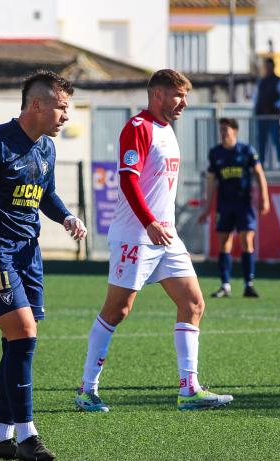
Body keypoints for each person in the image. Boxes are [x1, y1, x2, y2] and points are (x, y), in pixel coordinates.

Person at [74, 69, 233, 412]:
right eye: (178, 96)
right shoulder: (138, 128)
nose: (184, 103)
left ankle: (189, 389)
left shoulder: (167, 130)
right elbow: (128, 181)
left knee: (193, 304)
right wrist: (148, 224)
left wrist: (161, 228)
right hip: (137, 233)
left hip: (166, 235)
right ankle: (87, 390)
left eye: (185, 96)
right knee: (118, 310)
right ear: (157, 95)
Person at [0, 70, 87, 461]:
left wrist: (65, 216)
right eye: (62, 107)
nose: (66, 116)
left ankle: (0, 440)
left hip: (29, 255)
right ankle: (28, 437)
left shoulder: (46, 149)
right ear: (37, 105)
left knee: (14, 342)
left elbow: (45, 193)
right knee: (25, 335)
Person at [198, 117, 270, 298]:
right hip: (224, 204)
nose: (222, 134)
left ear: (235, 131)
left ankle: (248, 284)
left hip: (244, 204)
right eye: (221, 130)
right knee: (225, 243)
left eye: (226, 130)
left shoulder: (247, 151)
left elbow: (259, 174)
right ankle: (225, 286)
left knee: (247, 241)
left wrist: (264, 197)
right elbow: (211, 181)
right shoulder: (215, 153)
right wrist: (207, 209)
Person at [253, 57, 280, 170]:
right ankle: (261, 163)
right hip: (262, 116)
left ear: (273, 67)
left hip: (273, 116)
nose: (268, 69)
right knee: (262, 140)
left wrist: (274, 107)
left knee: (276, 140)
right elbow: (255, 97)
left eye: (270, 66)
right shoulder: (261, 81)